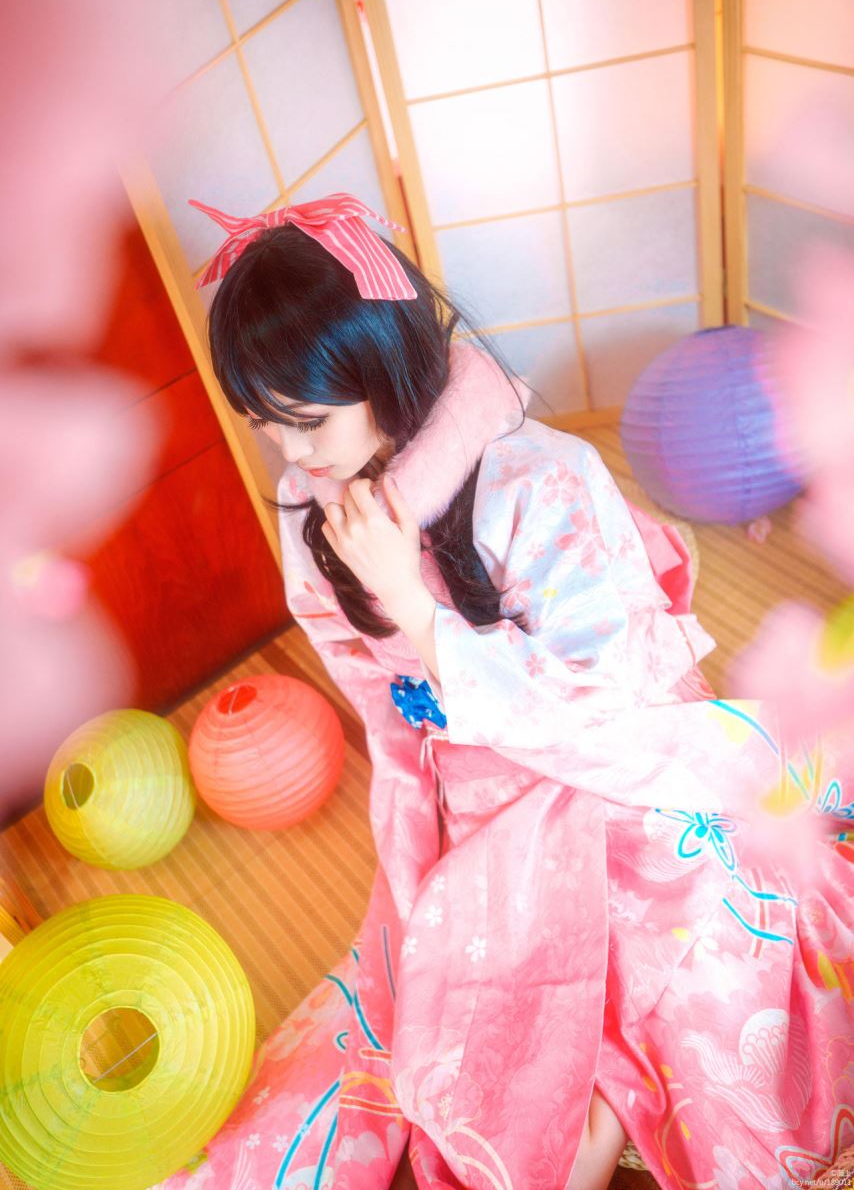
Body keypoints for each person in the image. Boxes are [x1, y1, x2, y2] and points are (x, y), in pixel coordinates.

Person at [163, 194, 853, 1190]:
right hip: (478, 792)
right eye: (265, 424)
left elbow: (609, 693)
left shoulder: (542, 478)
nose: (294, 454)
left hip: (619, 767)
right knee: (497, 1056)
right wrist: (418, 826)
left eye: (308, 421)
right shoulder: (311, 502)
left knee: (679, 979)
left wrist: (416, 610)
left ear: (381, 367)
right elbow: (378, 701)